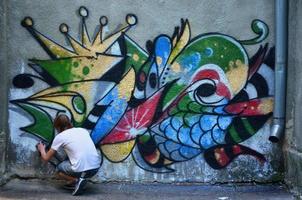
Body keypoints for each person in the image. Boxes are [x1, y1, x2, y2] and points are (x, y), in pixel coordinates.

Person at [37, 114, 101, 196]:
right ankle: (76, 182)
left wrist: (42, 149)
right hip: (95, 168)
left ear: (57, 127)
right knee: (69, 158)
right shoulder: (82, 130)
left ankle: (76, 181)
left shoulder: (60, 137)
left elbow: (46, 158)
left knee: (58, 169)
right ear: (69, 123)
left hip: (81, 169)